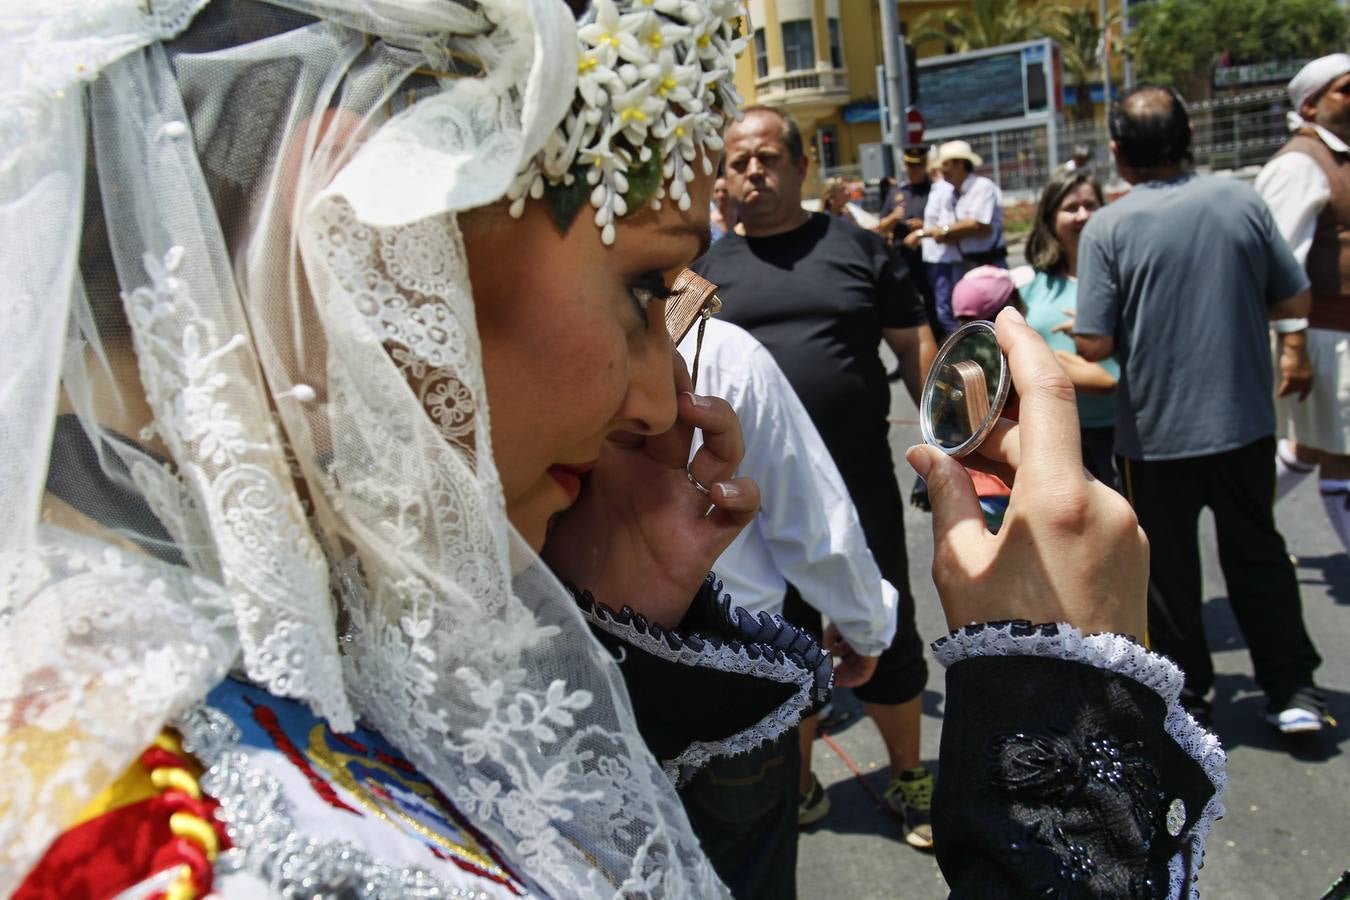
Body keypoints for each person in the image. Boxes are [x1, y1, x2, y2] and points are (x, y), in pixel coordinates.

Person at [6, 2, 1225, 898]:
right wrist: (1068, 728)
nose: (662, 399)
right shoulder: (158, 845)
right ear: (358, 229)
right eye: (646, 290)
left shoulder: (225, 631)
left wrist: (618, 628)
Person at [693, 104, 941, 850]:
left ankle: (910, 778)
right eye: (738, 161)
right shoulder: (700, 276)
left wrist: (944, 448)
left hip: (857, 488)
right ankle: (797, 784)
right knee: (783, 643)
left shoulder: (860, 250)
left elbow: (915, 345)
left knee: (883, 630)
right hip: (749, 509)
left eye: (768, 158)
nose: (753, 173)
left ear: (802, 166)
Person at [1073, 85, 1331, 735]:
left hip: (1154, 436)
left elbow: (1096, 343)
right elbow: (1292, 297)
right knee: (1259, 554)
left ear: (1118, 153)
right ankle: (1291, 687)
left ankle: (1186, 702)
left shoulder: (1109, 225)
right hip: (1243, 422)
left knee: (1168, 579)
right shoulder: (1240, 201)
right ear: (1189, 137)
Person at [675, 317, 897, 864]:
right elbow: (814, 526)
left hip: (582, 679)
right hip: (732, 673)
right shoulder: (720, 348)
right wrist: (865, 626)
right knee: (749, 864)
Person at [1255, 53, 1350, 556]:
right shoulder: (1298, 166)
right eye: (1346, 89)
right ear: (1310, 106)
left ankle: (1244, 519)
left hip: (1339, 335)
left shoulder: (1340, 157)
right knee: (1339, 454)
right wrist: (1294, 346)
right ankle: (1244, 519)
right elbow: (1279, 265)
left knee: (1318, 447)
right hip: (1323, 336)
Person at [1015, 167, 1120, 486]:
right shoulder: (1027, 285)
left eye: (1091, 205)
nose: (1082, 215)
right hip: (1052, 434)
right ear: (1049, 219)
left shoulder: (1122, 281)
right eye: (1071, 208)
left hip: (1121, 432)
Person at [930, 140, 1007, 272]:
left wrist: (947, 231)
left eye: (946, 164)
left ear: (960, 164)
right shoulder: (950, 195)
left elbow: (976, 224)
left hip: (989, 263)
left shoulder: (982, 187)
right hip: (962, 264)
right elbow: (939, 235)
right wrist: (958, 230)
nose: (942, 170)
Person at [711, 174, 740, 242]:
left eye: (725, 191)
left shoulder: (741, 218)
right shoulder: (709, 223)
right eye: (717, 191)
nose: (721, 195)